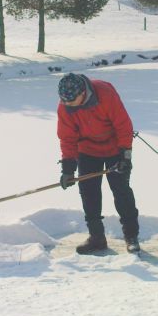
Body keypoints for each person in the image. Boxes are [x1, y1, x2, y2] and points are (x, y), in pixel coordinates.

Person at [57, 72, 140, 254]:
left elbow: (123, 125)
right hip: (87, 150)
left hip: (114, 148)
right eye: (64, 101)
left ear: (82, 93)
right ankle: (97, 238)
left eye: (71, 101)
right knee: (89, 193)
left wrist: (125, 155)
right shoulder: (65, 106)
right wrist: (68, 169)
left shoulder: (105, 93)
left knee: (121, 191)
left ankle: (131, 236)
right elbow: (67, 138)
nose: (67, 105)